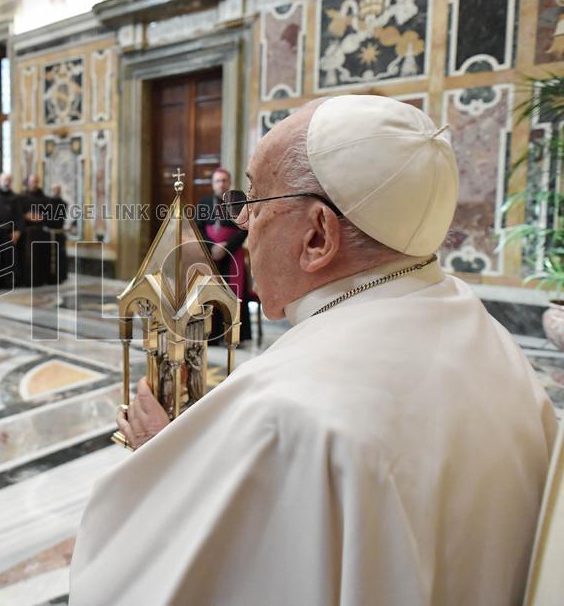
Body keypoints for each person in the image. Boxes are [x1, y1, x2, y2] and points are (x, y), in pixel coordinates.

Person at [70, 96, 558, 605]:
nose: (240, 222)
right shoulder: (485, 335)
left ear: (318, 237)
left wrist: (165, 469)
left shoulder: (288, 413)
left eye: (254, 200)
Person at [196, 167, 251, 342]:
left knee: (232, 293)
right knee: (209, 293)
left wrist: (227, 246)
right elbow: (198, 228)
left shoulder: (238, 202)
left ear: (230, 182)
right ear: (213, 184)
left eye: (224, 180)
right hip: (210, 256)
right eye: (218, 181)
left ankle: (233, 335)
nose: (221, 184)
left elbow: (244, 228)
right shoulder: (204, 202)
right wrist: (212, 248)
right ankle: (210, 334)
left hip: (233, 254)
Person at [16, 175, 53, 287]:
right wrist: (25, 216)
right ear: (27, 183)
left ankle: (40, 279)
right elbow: (17, 214)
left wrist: (41, 217)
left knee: (41, 256)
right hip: (27, 232)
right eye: (32, 181)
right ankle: (27, 280)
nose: (34, 183)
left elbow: (50, 214)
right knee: (27, 257)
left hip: (41, 232)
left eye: (36, 181)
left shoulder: (45, 198)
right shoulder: (21, 197)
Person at [46, 183, 69, 283]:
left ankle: (60, 276)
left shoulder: (64, 203)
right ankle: (49, 277)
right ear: (51, 190)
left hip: (59, 233)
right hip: (49, 233)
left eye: (58, 190)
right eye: (54, 189)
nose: (56, 191)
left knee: (60, 255)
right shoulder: (46, 203)